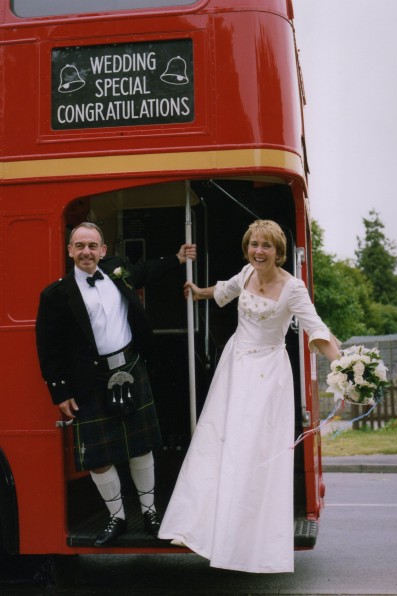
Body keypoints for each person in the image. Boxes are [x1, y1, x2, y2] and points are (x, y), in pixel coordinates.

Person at [158, 219, 340, 573]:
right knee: (216, 441)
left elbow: (315, 328)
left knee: (252, 449)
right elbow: (222, 291)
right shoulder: (246, 274)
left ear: (278, 251)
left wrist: (342, 366)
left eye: (266, 245)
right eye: (254, 244)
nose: (259, 251)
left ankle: (244, 536)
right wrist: (197, 291)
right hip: (235, 366)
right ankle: (199, 525)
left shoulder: (293, 287)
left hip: (267, 375)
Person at [36, 222, 196, 547]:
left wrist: (178, 259)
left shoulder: (117, 271)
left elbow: (145, 271)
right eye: (80, 246)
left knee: (142, 447)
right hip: (90, 380)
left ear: (103, 250)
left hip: (131, 367)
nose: (86, 252)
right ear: (69, 250)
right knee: (98, 457)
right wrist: (60, 391)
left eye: (92, 246)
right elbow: (48, 347)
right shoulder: (55, 295)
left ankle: (149, 513)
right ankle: (117, 517)